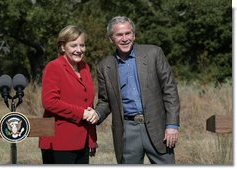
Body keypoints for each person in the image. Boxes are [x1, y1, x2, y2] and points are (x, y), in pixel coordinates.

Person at [88, 16, 180, 164]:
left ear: (134, 35)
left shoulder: (154, 54)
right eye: (119, 35)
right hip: (127, 131)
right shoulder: (104, 66)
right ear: (111, 39)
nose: (124, 38)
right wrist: (96, 114)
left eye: (128, 33)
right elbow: (105, 101)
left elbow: (170, 91)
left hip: (158, 129)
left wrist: (172, 126)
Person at [39, 25, 97, 164]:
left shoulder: (84, 67)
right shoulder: (54, 67)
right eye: (73, 45)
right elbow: (49, 102)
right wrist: (81, 113)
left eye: (82, 45)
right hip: (59, 141)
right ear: (63, 47)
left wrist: (92, 139)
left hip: (83, 140)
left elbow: (88, 103)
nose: (79, 50)